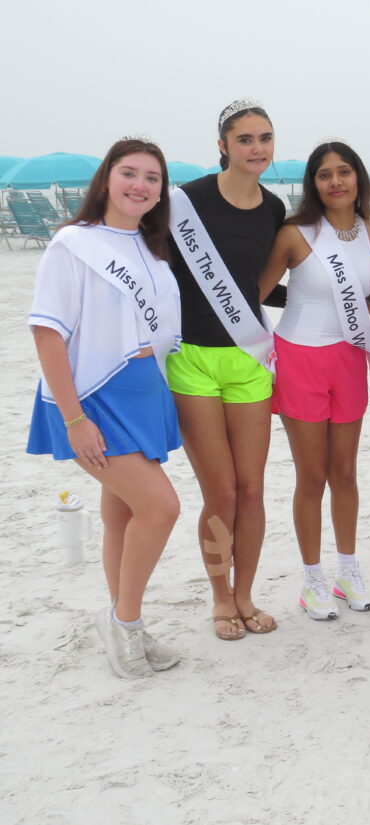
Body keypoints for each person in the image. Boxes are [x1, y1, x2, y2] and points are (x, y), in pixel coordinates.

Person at [27, 138, 182, 678]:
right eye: (129, 173)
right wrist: (74, 420)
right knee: (161, 508)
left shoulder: (151, 247)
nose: (140, 185)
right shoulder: (73, 244)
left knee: (123, 513)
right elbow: (47, 332)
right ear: (107, 179)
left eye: (152, 178)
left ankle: (122, 620)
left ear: (161, 192)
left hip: (144, 393)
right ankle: (126, 622)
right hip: (94, 398)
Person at [166, 100, 285, 640]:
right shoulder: (183, 203)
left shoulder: (274, 209)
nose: (257, 148)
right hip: (191, 360)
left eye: (265, 138)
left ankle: (245, 595)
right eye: (245, 139)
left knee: (252, 490)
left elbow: (259, 284)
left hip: (248, 360)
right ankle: (220, 597)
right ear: (222, 145)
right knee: (223, 493)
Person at [258, 142, 370, 620]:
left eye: (344, 172)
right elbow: (256, 294)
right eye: (324, 174)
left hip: (349, 359)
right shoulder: (295, 234)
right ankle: (312, 580)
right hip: (299, 358)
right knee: (312, 476)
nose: (335, 182)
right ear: (313, 183)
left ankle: (347, 573)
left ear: (358, 178)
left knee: (345, 473)